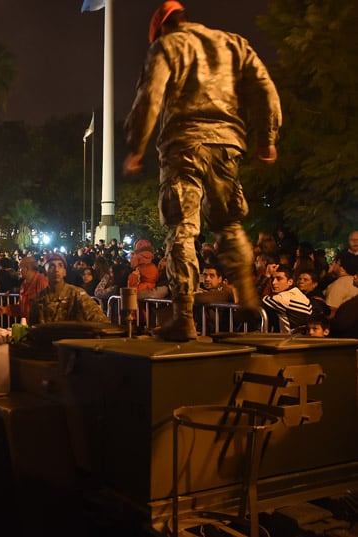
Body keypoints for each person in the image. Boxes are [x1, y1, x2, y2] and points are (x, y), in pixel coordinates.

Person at [123, 1, 282, 341]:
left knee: (182, 229)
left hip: (184, 145)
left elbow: (150, 96)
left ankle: (184, 317)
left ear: (162, 28)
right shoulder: (233, 43)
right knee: (228, 221)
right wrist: (267, 138)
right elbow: (265, 87)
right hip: (227, 144)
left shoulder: (168, 45)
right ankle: (246, 291)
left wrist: (137, 147)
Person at [29, 253, 108, 325]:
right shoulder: (39, 299)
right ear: (45, 272)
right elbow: (33, 328)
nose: (56, 270)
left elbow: (101, 321)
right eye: (51, 266)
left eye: (60, 265)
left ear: (65, 272)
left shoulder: (77, 295)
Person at [261, 264, 312, 333]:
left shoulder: (283, 298)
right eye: (272, 279)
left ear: (290, 282)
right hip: (299, 340)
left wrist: (266, 276)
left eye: (279, 279)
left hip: (288, 340)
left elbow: (252, 300)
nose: (273, 282)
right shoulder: (301, 296)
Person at [8, 256, 48, 321]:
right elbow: (21, 308)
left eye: (20, 268)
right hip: (27, 325)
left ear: (26, 268)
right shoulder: (24, 284)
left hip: (39, 327)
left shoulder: (42, 282)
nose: (19, 271)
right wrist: (4, 310)